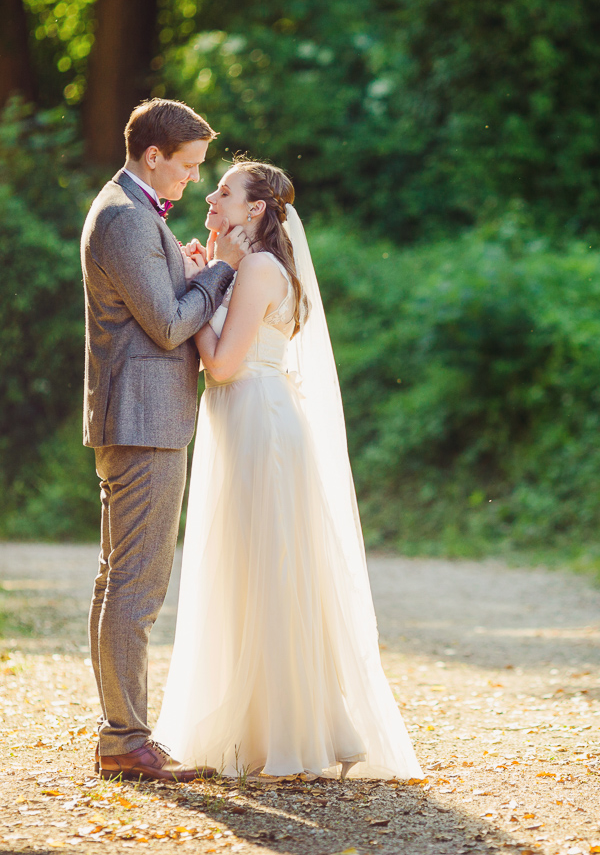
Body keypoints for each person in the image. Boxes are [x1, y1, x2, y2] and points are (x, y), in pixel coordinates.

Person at [152, 158, 422, 780]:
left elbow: (220, 365)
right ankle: (260, 726)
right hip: (246, 421)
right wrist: (209, 277)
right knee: (248, 569)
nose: (211, 197)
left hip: (261, 426)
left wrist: (196, 291)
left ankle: (288, 733)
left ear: (254, 210)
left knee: (267, 570)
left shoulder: (263, 270)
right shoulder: (246, 267)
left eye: (224, 191)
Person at [79, 99, 252, 782]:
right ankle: (126, 740)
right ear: (153, 156)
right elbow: (169, 325)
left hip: (140, 418)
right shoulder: (124, 216)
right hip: (144, 422)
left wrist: (185, 267)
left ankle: (120, 734)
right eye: (186, 167)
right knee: (137, 586)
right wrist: (220, 269)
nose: (190, 182)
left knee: (117, 581)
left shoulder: (129, 209)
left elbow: (154, 301)